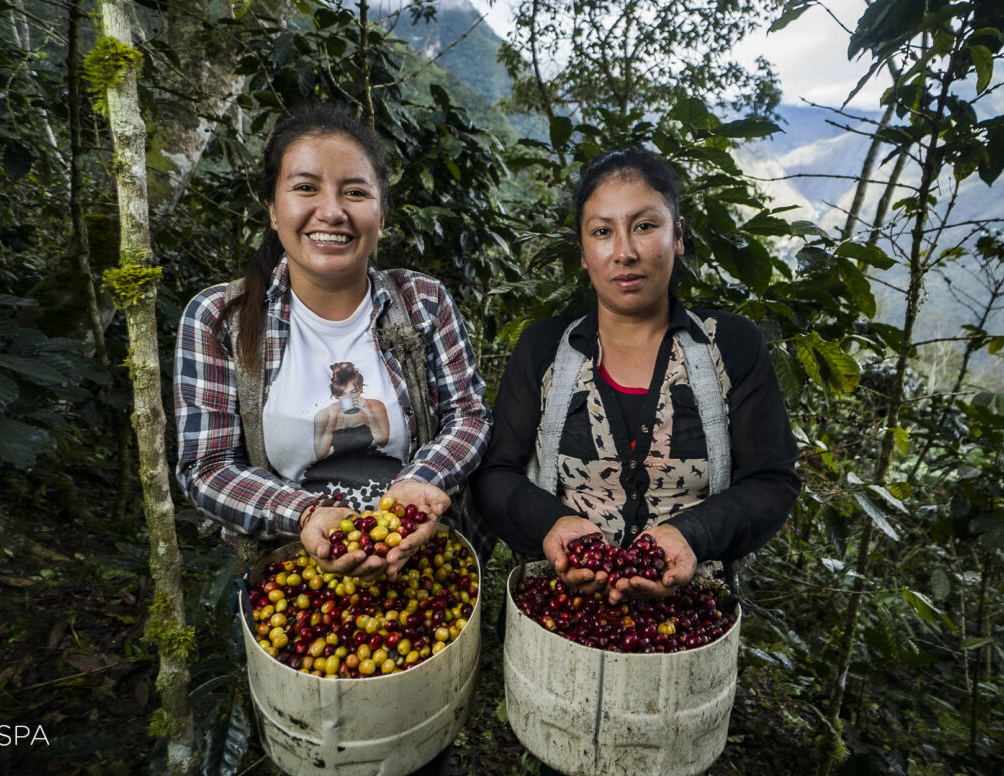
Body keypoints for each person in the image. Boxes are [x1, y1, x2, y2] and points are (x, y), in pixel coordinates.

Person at [174, 100, 490, 583]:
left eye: (355, 192)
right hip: (291, 576)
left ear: (381, 217)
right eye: (305, 187)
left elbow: (467, 415)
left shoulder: (423, 301)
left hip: (420, 568)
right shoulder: (221, 318)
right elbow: (208, 465)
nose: (332, 211)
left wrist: (418, 481)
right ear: (274, 211)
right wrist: (305, 514)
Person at [472, 147, 801, 606]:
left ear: (678, 235)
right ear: (584, 253)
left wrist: (691, 535)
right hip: (558, 610)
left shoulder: (730, 347)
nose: (624, 252)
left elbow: (772, 480)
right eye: (602, 232)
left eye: (644, 226)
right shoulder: (544, 348)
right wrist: (553, 523)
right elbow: (496, 473)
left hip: (686, 617)